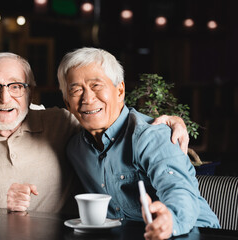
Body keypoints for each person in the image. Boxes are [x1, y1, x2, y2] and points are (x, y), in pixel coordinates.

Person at [0, 52, 190, 214]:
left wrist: (168, 122)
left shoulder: (61, 122)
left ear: (30, 94)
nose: (5, 98)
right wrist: (3, 203)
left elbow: (108, 123)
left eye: (16, 87)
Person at [57, 47, 220, 239]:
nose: (87, 98)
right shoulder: (75, 149)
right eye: (76, 90)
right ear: (67, 103)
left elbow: (178, 189)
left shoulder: (151, 136)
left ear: (120, 91)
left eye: (96, 86)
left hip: (192, 232)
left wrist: (169, 221)